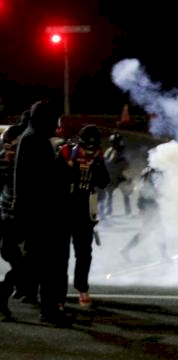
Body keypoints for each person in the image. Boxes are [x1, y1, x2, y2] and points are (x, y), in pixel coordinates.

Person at [13, 100, 71, 324]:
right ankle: (49, 311)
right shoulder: (35, 140)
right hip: (41, 213)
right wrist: (64, 162)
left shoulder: (32, 136)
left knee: (35, 263)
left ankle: (48, 307)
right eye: (53, 120)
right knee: (47, 265)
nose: (56, 125)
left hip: (35, 212)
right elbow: (45, 178)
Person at [58, 124, 110, 307]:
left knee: (84, 253)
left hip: (85, 208)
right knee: (60, 254)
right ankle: (58, 293)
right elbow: (56, 179)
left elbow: (104, 182)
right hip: (64, 208)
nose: (89, 151)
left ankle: (82, 287)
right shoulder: (65, 152)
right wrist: (72, 168)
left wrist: (96, 164)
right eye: (86, 147)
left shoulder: (98, 156)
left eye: (93, 147)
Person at [0, 125, 29, 319]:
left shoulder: (23, 163)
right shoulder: (3, 161)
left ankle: (5, 293)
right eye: (9, 148)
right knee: (19, 261)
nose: (10, 153)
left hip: (17, 219)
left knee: (22, 264)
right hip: (6, 219)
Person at [120, 166, 167, 262]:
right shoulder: (150, 175)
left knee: (153, 231)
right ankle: (125, 250)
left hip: (150, 206)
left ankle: (164, 255)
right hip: (149, 207)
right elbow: (146, 193)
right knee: (151, 232)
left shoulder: (147, 173)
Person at [100, 131, 131, 218]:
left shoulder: (120, 152)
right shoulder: (110, 151)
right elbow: (106, 162)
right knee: (109, 195)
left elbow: (126, 164)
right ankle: (109, 212)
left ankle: (128, 211)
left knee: (125, 193)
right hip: (112, 176)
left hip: (118, 175)